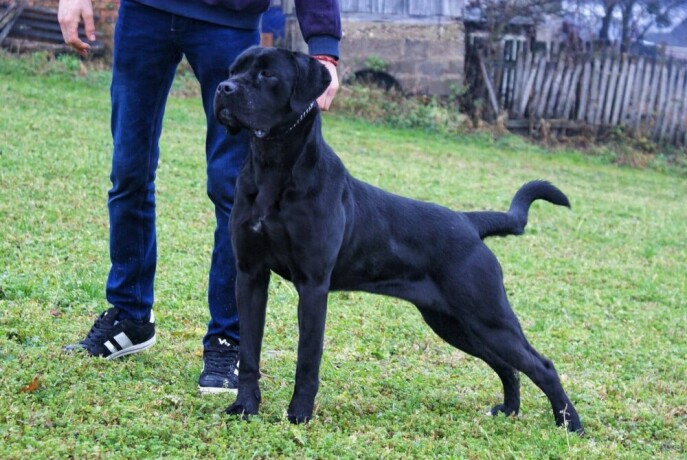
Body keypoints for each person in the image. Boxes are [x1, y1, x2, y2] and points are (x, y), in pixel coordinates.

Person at [59, 0, 341, 394]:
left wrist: (324, 46)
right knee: (128, 172)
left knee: (233, 187)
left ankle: (227, 340)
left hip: (228, 19)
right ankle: (129, 315)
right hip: (145, 13)